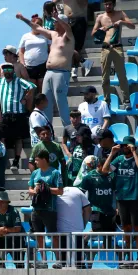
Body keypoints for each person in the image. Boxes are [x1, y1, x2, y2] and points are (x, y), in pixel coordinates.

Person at [16, 10, 74, 127]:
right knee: (45, 101)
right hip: (49, 72)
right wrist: (24, 19)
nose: (54, 23)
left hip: (61, 72)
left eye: (56, 22)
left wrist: (58, 18)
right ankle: (47, 128)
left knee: (60, 101)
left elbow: (67, 28)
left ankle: (68, 129)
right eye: (53, 21)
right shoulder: (53, 35)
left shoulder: (68, 36)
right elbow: (37, 27)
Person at [0, 62, 36, 170]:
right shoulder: (0, 82)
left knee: (18, 138)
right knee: (0, 135)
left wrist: (25, 98)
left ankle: (16, 160)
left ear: (13, 71)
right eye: (5, 71)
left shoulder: (19, 81)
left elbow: (32, 86)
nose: (7, 73)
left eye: (9, 70)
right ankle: (3, 158)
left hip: (18, 113)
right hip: (5, 114)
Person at [102, 136, 138, 269]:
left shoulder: (135, 158)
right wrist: (111, 153)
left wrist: (134, 152)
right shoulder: (119, 160)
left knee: (137, 229)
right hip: (121, 199)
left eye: (127, 145)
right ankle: (128, 257)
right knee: (126, 228)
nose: (124, 147)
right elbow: (105, 170)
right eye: (123, 145)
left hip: (135, 198)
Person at [92, 0, 135, 110]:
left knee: (122, 76)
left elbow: (132, 26)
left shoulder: (120, 13)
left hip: (117, 47)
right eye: (106, 4)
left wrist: (122, 22)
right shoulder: (100, 17)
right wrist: (100, 30)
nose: (108, 6)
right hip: (105, 48)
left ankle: (126, 100)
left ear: (113, 4)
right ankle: (107, 100)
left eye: (110, 4)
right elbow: (93, 33)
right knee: (105, 77)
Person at [28, 150, 64, 268]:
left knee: (53, 234)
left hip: (49, 209)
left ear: (44, 159)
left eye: (37, 159)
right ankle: (43, 261)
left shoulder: (55, 173)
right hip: (36, 208)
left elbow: (60, 191)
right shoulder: (35, 173)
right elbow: (30, 190)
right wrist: (35, 190)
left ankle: (58, 260)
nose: (35, 162)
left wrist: (46, 188)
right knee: (39, 234)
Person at [80, 158, 116, 248]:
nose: (107, 170)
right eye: (106, 168)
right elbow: (81, 193)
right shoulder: (89, 177)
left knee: (109, 232)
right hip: (95, 208)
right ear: (99, 166)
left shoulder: (111, 177)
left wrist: (116, 207)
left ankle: (106, 253)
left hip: (109, 208)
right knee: (97, 228)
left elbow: (115, 192)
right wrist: (82, 207)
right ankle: (84, 240)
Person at [55, 187, 91, 269]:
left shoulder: (54, 192)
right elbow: (88, 209)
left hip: (61, 230)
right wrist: (84, 224)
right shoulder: (77, 191)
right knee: (78, 264)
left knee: (63, 264)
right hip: (77, 229)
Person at [55, 0, 93, 78]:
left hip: (78, 19)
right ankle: (83, 62)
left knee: (76, 46)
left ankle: (75, 68)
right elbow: (54, 2)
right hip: (67, 21)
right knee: (68, 45)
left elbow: (84, 3)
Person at [19, 15, 52, 93]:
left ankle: (42, 104)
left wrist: (50, 61)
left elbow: (51, 49)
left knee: (42, 84)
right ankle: (33, 104)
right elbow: (21, 51)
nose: (38, 26)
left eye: (40, 24)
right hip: (29, 66)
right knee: (32, 87)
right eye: (36, 24)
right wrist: (22, 63)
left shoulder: (45, 35)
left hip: (42, 64)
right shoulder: (25, 36)